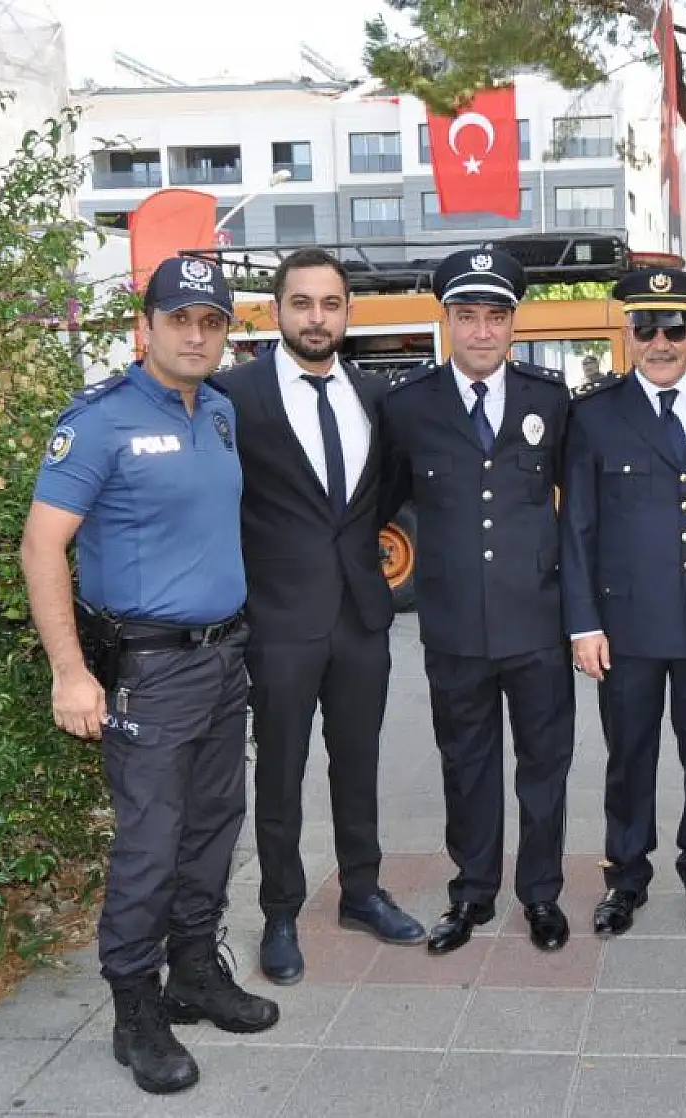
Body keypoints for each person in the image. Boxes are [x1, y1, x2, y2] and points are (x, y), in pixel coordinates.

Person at [20, 257, 278, 1095]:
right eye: (180, 320)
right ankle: (136, 1009)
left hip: (222, 659)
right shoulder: (99, 422)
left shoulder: (223, 414)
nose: (196, 335)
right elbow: (41, 545)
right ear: (148, 326)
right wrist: (70, 672)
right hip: (150, 671)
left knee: (212, 828)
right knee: (149, 842)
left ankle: (195, 973)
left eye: (212, 322)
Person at [210, 248, 424, 988]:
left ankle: (362, 891)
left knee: (358, 764)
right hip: (279, 620)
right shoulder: (232, 397)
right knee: (282, 772)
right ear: (276, 312)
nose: (316, 317)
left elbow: (385, 492)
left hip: (363, 616)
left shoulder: (376, 397)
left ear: (347, 314)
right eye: (301, 303)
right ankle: (279, 912)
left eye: (330, 304)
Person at [379, 248, 575, 955]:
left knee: (544, 765)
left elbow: (575, 516)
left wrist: (581, 618)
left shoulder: (549, 401)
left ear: (513, 324)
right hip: (455, 627)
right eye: (468, 316)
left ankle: (542, 894)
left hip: (537, 625)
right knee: (465, 765)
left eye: (496, 316)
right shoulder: (408, 406)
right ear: (448, 321)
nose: (483, 331)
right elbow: (380, 505)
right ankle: (473, 893)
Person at [560, 266, 686, 939]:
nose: (661, 340)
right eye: (647, 327)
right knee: (629, 757)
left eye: (675, 326)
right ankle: (627, 878)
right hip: (626, 626)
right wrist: (583, 623)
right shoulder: (592, 415)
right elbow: (577, 526)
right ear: (629, 333)